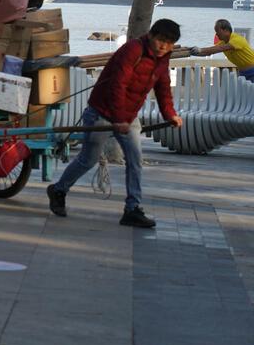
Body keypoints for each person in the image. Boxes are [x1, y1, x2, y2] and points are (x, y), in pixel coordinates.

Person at [47, 19, 184, 228]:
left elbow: (163, 87)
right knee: (88, 159)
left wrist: (170, 114)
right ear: (151, 36)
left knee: (135, 161)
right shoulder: (133, 50)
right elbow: (117, 85)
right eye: (161, 40)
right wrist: (118, 119)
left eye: (169, 43)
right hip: (101, 112)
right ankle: (58, 190)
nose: (163, 46)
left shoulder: (163, 58)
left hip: (128, 117)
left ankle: (132, 209)